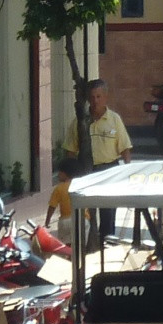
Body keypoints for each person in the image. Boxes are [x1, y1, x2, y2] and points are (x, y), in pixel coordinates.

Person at [61, 79, 134, 241]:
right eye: (92, 97)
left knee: (108, 208)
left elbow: (125, 148)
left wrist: (128, 172)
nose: (95, 101)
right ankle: (89, 240)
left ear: (106, 97)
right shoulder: (80, 123)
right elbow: (70, 150)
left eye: (99, 96)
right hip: (87, 170)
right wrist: (70, 176)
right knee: (87, 209)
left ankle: (107, 240)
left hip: (110, 170)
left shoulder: (114, 120)